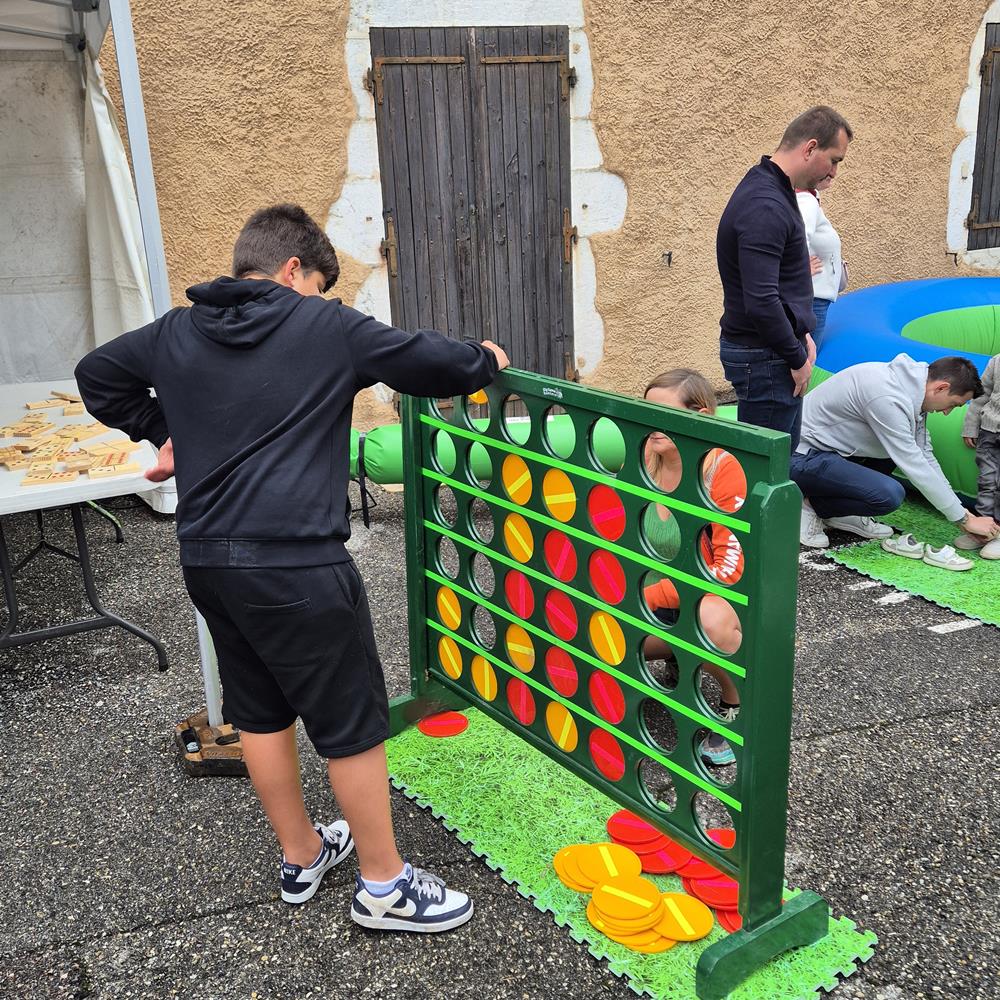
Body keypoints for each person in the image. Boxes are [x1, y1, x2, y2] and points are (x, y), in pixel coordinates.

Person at [75, 204, 509, 933]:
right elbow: (427, 359)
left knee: (262, 712)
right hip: (299, 569)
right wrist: (486, 360)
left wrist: (166, 428)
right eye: (318, 282)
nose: (320, 297)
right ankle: (384, 885)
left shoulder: (177, 331)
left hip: (209, 561)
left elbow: (97, 377)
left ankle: (302, 852)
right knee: (350, 725)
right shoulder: (326, 327)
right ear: (291, 270)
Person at [717, 106, 853, 450]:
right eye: (834, 160)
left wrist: (802, 333)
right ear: (809, 148)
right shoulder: (766, 203)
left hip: (772, 351)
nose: (835, 172)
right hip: (765, 357)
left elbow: (779, 284)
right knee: (764, 471)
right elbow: (762, 301)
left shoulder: (773, 188)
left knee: (779, 461)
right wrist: (795, 357)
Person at [792, 354, 999, 559]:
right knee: (888, 495)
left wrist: (964, 515)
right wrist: (964, 520)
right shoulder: (887, 396)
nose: (947, 412)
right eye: (953, 404)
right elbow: (913, 463)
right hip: (799, 456)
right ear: (941, 388)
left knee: (898, 451)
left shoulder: (916, 390)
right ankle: (808, 505)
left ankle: (838, 513)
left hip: (829, 452)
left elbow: (924, 455)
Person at [641, 370, 744, 767]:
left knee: (711, 620)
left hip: (705, 598)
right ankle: (673, 658)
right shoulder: (645, 458)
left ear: (698, 413)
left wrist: (646, 596)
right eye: (645, 411)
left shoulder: (721, 468)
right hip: (651, 601)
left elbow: (731, 570)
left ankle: (736, 705)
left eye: (661, 413)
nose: (651, 424)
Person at [797, 174, 848, 350]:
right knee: (806, 361)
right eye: (830, 162)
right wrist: (799, 268)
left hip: (815, 297)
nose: (833, 172)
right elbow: (797, 237)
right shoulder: (806, 202)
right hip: (813, 298)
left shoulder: (811, 199)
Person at [959, 351, 1000, 559]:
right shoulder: (997, 360)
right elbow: (981, 395)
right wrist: (970, 427)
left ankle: (999, 532)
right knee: (986, 480)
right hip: (990, 431)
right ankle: (984, 528)